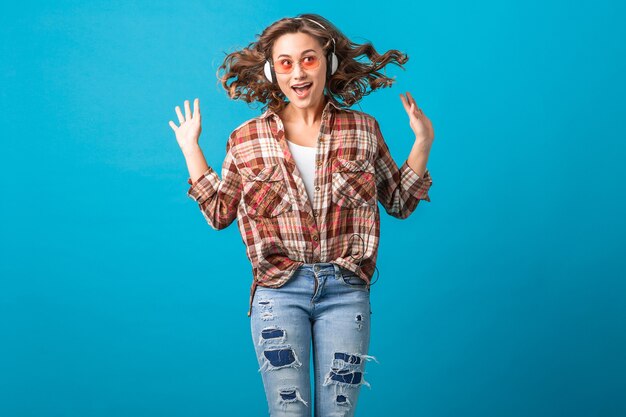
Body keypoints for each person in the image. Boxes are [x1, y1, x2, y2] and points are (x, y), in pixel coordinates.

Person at [169, 13, 435, 417]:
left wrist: (423, 141)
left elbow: (398, 202)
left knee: (338, 414)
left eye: (308, 59)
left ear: (327, 63)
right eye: (286, 62)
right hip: (278, 291)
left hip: (346, 289)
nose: (298, 72)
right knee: (288, 413)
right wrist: (191, 150)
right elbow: (220, 213)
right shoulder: (246, 139)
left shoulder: (362, 129)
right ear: (271, 71)